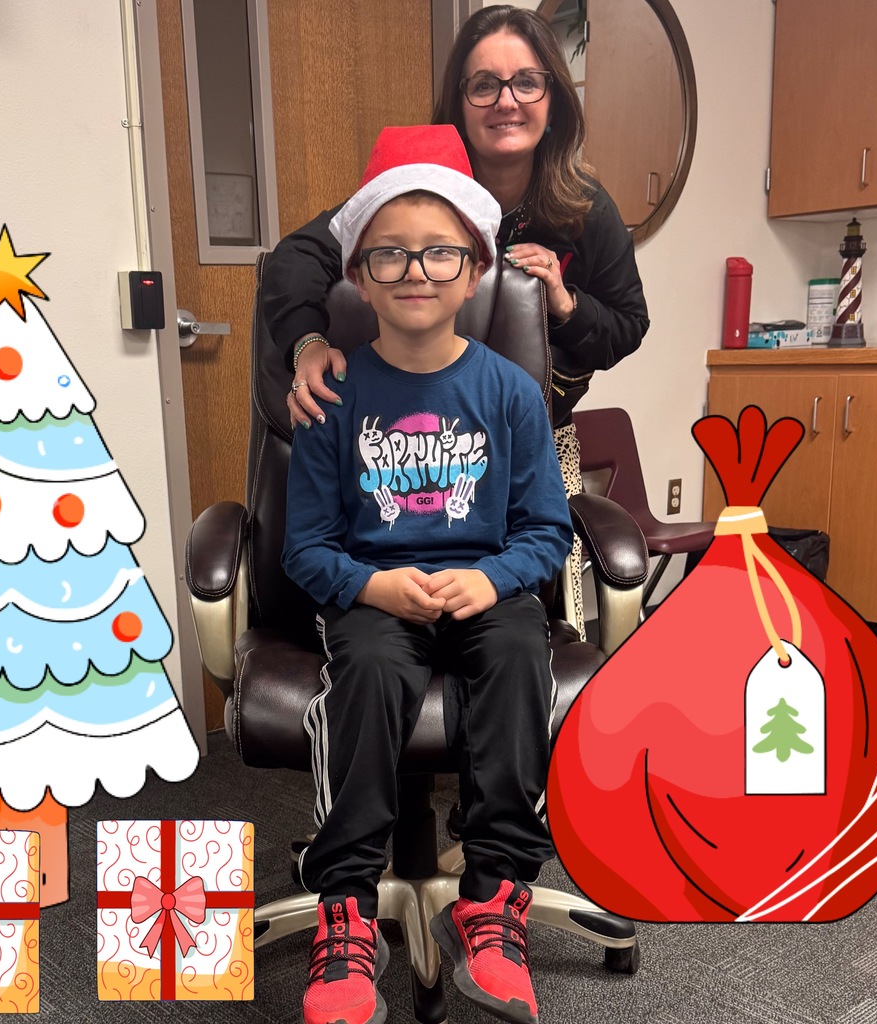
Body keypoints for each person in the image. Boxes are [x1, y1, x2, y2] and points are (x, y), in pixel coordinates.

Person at [282, 123, 571, 1024]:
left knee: (524, 650)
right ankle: (346, 913)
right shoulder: (332, 396)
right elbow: (305, 547)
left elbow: (547, 530)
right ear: (359, 277)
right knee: (367, 668)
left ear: (476, 269)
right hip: (375, 593)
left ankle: (492, 902)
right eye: (392, 255)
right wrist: (373, 587)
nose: (416, 271)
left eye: (440, 254)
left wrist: (493, 579)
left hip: (485, 584)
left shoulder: (512, 394)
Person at [263, 4, 648, 642]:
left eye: (527, 82)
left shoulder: (584, 205)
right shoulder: (415, 192)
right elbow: (300, 256)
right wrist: (307, 341)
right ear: (459, 100)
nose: (507, 101)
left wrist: (562, 301)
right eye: (484, 85)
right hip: (390, 431)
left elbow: (629, 324)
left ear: (552, 97)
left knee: (533, 628)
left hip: (527, 427)